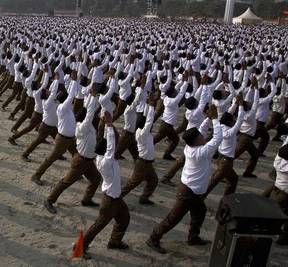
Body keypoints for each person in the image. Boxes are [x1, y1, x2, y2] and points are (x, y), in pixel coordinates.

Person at [147, 104, 223, 254]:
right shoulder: (200, 152)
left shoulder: (192, 147)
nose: (203, 136)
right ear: (197, 141)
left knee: (200, 212)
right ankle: (153, 238)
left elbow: (200, 130)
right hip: (188, 193)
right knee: (173, 218)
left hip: (192, 191)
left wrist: (208, 119)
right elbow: (218, 137)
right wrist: (214, 119)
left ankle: (193, 237)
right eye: (201, 137)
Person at [80, 111, 130, 260]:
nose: (113, 148)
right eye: (109, 148)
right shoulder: (106, 162)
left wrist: (110, 126)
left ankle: (115, 241)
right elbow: (111, 145)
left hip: (116, 198)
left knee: (124, 219)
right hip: (109, 201)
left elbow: (111, 145)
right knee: (98, 225)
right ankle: (80, 246)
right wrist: (108, 125)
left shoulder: (106, 159)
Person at [43, 85, 101, 213]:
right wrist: (94, 95)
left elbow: (89, 110)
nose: (89, 118)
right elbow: (90, 113)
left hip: (89, 161)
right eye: (87, 117)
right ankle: (49, 200)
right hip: (81, 161)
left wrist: (91, 96)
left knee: (96, 179)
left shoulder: (87, 126)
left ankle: (86, 199)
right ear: (84, 119)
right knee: (66, 182)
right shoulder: (82, 127)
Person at [31, 71, 78, 186]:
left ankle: (78, 172)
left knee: (76, 154)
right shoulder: (60, 107)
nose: (49, 91)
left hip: (69, 138)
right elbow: (70, 95)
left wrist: (72, 82)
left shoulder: (65, 107)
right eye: (47, 91)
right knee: (51, 158)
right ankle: (37, 175)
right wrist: (74, 80)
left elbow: (68, 94)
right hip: (62, 139)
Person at [120, 92, 158, 205]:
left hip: (147, 163)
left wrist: (147, 105)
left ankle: (144, 198)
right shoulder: (143, 134)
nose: (150, 126)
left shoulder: (140, 131)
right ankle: (117, 196)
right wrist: (151, 104)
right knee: (132, 183)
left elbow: (146, 118)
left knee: (153, 181)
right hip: (143, 163)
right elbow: (150, 119)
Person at [268, 143, 288, 247]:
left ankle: (283, 237)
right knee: (285, 218)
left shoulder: (278, 161)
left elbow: (281, 152)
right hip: (286, 197)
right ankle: (280, 238)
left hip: (276, 191)